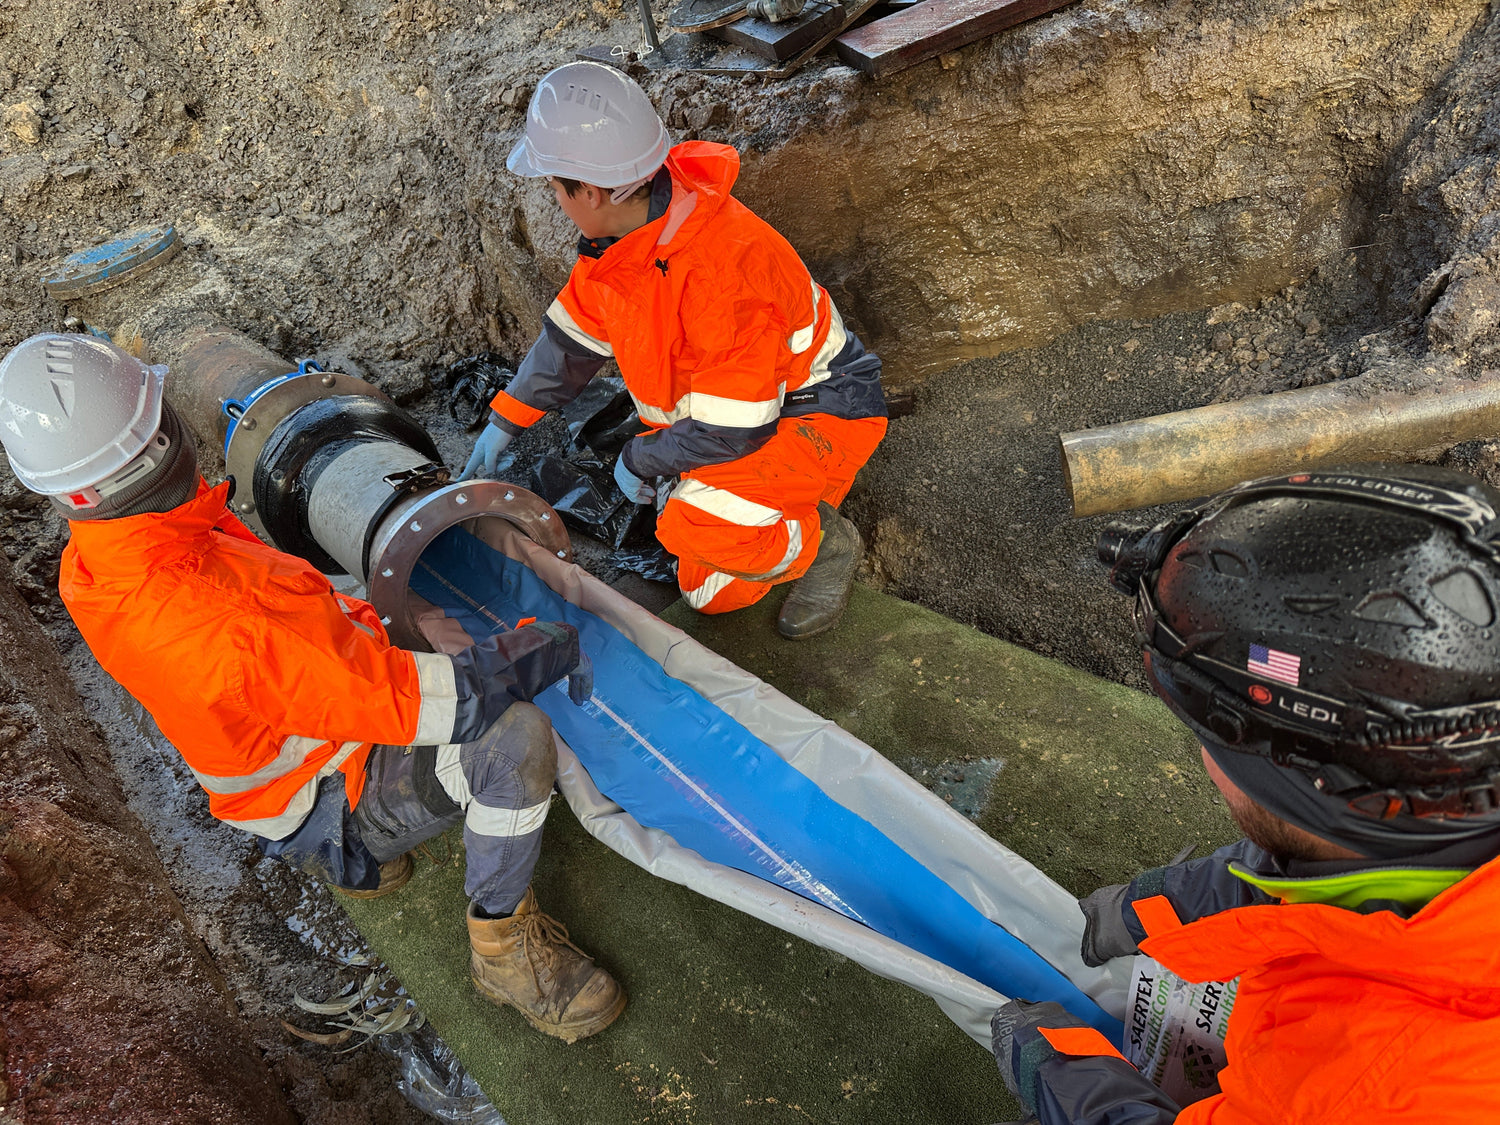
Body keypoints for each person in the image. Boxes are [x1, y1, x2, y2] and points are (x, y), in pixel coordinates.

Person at [0, 332, 625, 1044]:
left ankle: (367, 859)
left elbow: (279, 604)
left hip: (273, 770)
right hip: (323, 794)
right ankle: (503, 950)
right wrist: (530, 653)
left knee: (425, 640)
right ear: (161, 442)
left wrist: (396, 611)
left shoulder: (106, 558)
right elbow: (434, 704)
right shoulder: (224, 623)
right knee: (514, 738)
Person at [992, 465, 1500, 1123]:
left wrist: (1070, 1085)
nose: (1205, 759)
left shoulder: (1356, 1088)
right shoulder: (1434, 800)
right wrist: (1170, 903)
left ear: (1302, 789)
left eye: (1208, 736)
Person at [460, 61, 888, 640]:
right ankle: (765, 513)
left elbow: (736, 429)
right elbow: (571, 340)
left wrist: (641, 459)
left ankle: (826, 544)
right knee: (708, 594)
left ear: (589, 191)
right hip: (740, 415)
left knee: (695, 528)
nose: (555, 199)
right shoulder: (621, 243)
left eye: (554, 186)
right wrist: (506, 421)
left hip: (814, 414)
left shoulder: (722, 269)